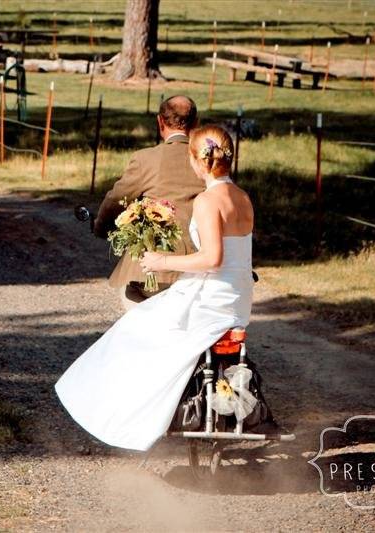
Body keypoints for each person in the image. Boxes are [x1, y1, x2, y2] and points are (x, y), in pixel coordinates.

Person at [56, 125, 255, 452]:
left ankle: (126, 418)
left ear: (197, 161)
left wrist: (163, 261)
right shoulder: (243, 197)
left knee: (134, 329)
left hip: (211, 301)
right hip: (237, 300)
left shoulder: (208, 201)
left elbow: (212, 258)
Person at [93, 95, 203, 310]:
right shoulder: (207, 161)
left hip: (154, 272)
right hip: (200, 266)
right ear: (196, 123)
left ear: (160, 122)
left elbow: (117, 199)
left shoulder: (145, 158)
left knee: (130, 297)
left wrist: (100, 226)